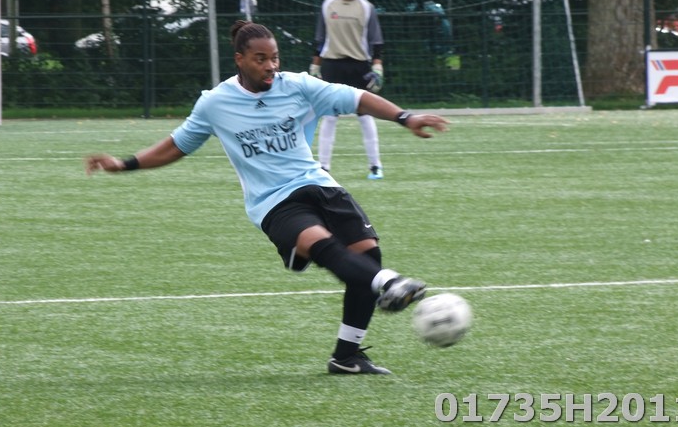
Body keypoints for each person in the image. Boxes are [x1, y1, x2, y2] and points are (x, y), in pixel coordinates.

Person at [86, 20, 449, 375]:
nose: (270, 66)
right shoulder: (216, 103)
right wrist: (124, 164)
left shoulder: (298, 86)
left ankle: (346, 356)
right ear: (239, 59)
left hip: (318, 184)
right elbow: (177, 145)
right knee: (326, 247)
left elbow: (357, 98)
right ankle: (387, 281)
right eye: (260, 59)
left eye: (274, 57)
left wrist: (405, 117)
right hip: (274, 201)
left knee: (367, 255)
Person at [310, 0, 386, 179]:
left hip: (359, 66)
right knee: (329, 116)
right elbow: (320, 39)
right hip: (332, 65)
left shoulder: (366, 7)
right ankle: (324, 167)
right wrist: (315, 67)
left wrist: (377, 67)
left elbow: (376, 41)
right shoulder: (328, 5)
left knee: (365, 114)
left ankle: (375, 166)